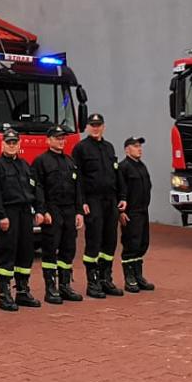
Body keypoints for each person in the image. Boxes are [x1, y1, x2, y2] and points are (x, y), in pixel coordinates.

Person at [0, 129, 42, 311]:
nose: (11, 145)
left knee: (26, 253)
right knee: (8, 253)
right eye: (8, 142)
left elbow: (35, 189)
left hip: (25, 213)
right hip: (9, 213)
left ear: (19, 145)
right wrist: (1, 215)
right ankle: (4, 294)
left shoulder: (25, 165)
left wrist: (39, 210)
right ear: (2, 144)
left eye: (14, 142)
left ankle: (22, 292)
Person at [71, 113, 125, 299]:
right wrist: (82, 202)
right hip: (92, 200)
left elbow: (116, 175)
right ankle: (92, 282)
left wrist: (122, 196)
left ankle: (105, 279)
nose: (95, 127)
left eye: (98, 125)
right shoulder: (81, 149)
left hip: (110, 200)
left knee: (110, 241)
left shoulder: (109, 148)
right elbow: (76, 180)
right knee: (94, 240)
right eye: (92, 125)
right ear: (87, 127)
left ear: (104, 127)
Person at [31, 126, 85, 304]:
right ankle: (50, 288)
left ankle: (65, 285)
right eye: (57, 138)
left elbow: (78, 189)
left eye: (63, 138)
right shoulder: (41, 162)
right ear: (48, 140)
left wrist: (79, 212)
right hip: (52, 211)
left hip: (69, 210)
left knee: (68, 249)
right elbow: (37, 188)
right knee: (50, 250)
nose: (61, 141)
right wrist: (42, 210)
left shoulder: (70, 162)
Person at [117, 135, 157, 292]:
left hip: (143, 211)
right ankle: (129, 278)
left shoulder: (141, 166)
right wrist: (121, 212)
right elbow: (120, 191)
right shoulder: (123, 167)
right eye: (135, 146)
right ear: (127, 149)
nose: (139, 149)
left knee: (142, 243)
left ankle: (138, 276)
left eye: (140, 146)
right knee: (131, 244)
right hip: (130, 213)